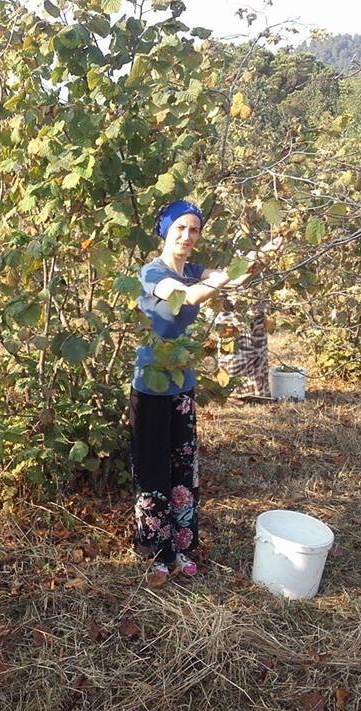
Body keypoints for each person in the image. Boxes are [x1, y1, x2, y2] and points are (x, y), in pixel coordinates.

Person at [131, 199, 283, 580]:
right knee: (152, 470)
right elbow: (187, 297)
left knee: (183, 468)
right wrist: (225, 277)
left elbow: (236, 275)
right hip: (150, 386)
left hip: (182, 384)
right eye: (180, 227)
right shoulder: (152, 272)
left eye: (194, 229)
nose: (186, 235)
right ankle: (156, 551)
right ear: (165, 229)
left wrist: (267, 250)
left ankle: (181, 548)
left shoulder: (195, 270)